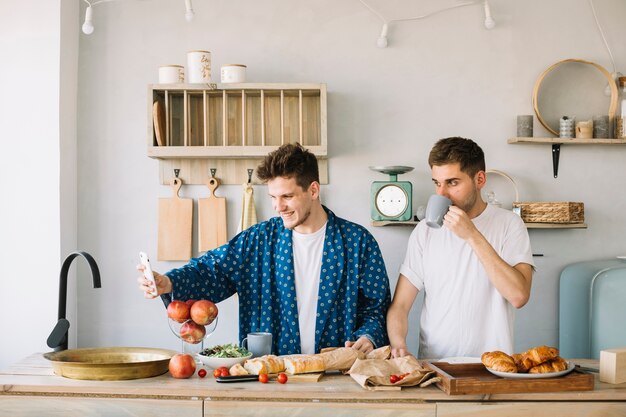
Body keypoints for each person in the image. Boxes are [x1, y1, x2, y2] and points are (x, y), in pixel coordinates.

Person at [138, 143, 390, 355]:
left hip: (338, 378)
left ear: (313, 190)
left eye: (287, 197)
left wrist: (367, 337)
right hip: (268, 375)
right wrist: (169, 282)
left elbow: (375, 308)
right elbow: (212, 270)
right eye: (272, 197)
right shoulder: (257, 240)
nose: (277, 207)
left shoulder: (358, 243)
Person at [386, 137, 534, 360]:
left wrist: (472, 235)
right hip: (436, 369)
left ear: (480, 179)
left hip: (493, 368)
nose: (441, 194)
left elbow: (519, 296)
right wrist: (398, 345)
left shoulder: (509, 224)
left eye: (452, 183)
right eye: (437, 183)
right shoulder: (424, 232)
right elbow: (399, 306)